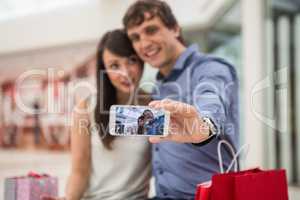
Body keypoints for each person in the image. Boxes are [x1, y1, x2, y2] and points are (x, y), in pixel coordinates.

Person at [122, 0, 239, 199]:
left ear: (175, 29)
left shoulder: (210, 69)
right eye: (135, 37)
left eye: (151, 30)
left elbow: (211, 99)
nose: (144, 43)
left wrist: (202, 126)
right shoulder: (159, 86)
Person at [46, 29, 152, 200]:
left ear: (141, 60)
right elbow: (79, 171)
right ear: (104, 70)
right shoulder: (87, 107)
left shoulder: (154, 106)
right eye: (114, 66)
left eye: (131, 61)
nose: (125, 72)